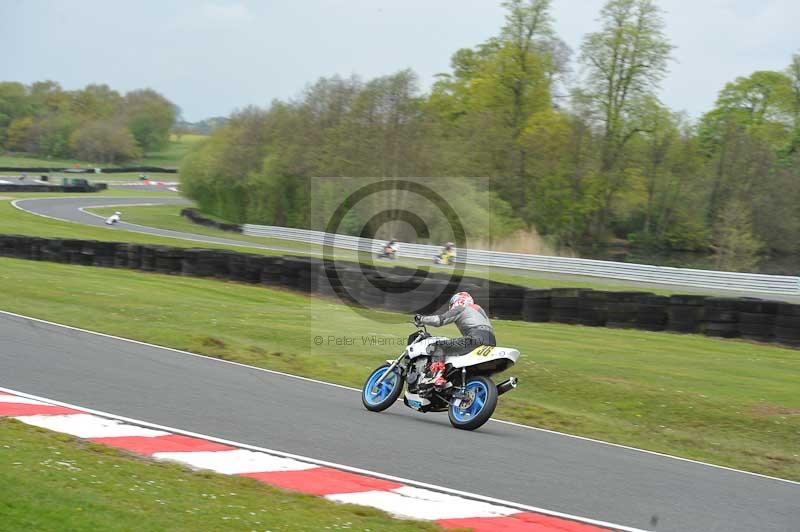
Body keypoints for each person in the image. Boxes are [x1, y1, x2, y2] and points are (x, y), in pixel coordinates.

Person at [414, 291, 496, 389]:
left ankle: (436, 376)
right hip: (491, 342)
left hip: (475, 339)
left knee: (437, 346)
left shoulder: (461, 308)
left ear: (458, 301)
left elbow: (439, 320)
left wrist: (421, 319)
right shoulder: (480, 311)